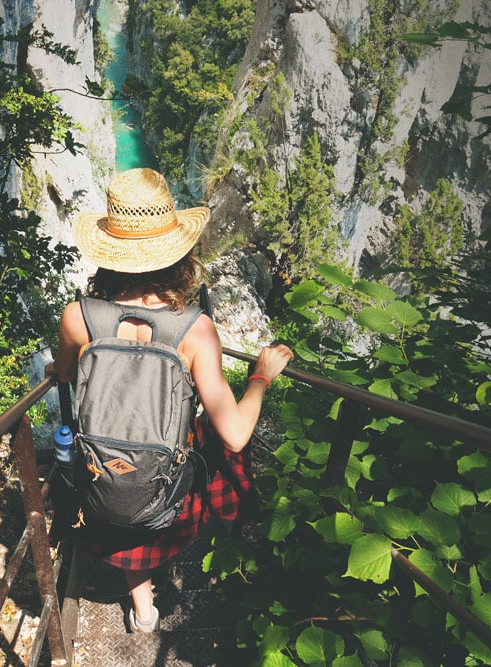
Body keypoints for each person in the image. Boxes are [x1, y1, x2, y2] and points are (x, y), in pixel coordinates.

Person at [45, 167, 293, 633]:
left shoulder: (76, 317)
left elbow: (65, 373)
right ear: (177, 252)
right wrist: (259, 377)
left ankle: (143, 611)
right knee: (198, 456)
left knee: (120, 494)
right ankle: (210, 558)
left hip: (101, 477)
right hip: (166, 488)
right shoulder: (195, 329)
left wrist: (58, 371)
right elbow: (236, 435)